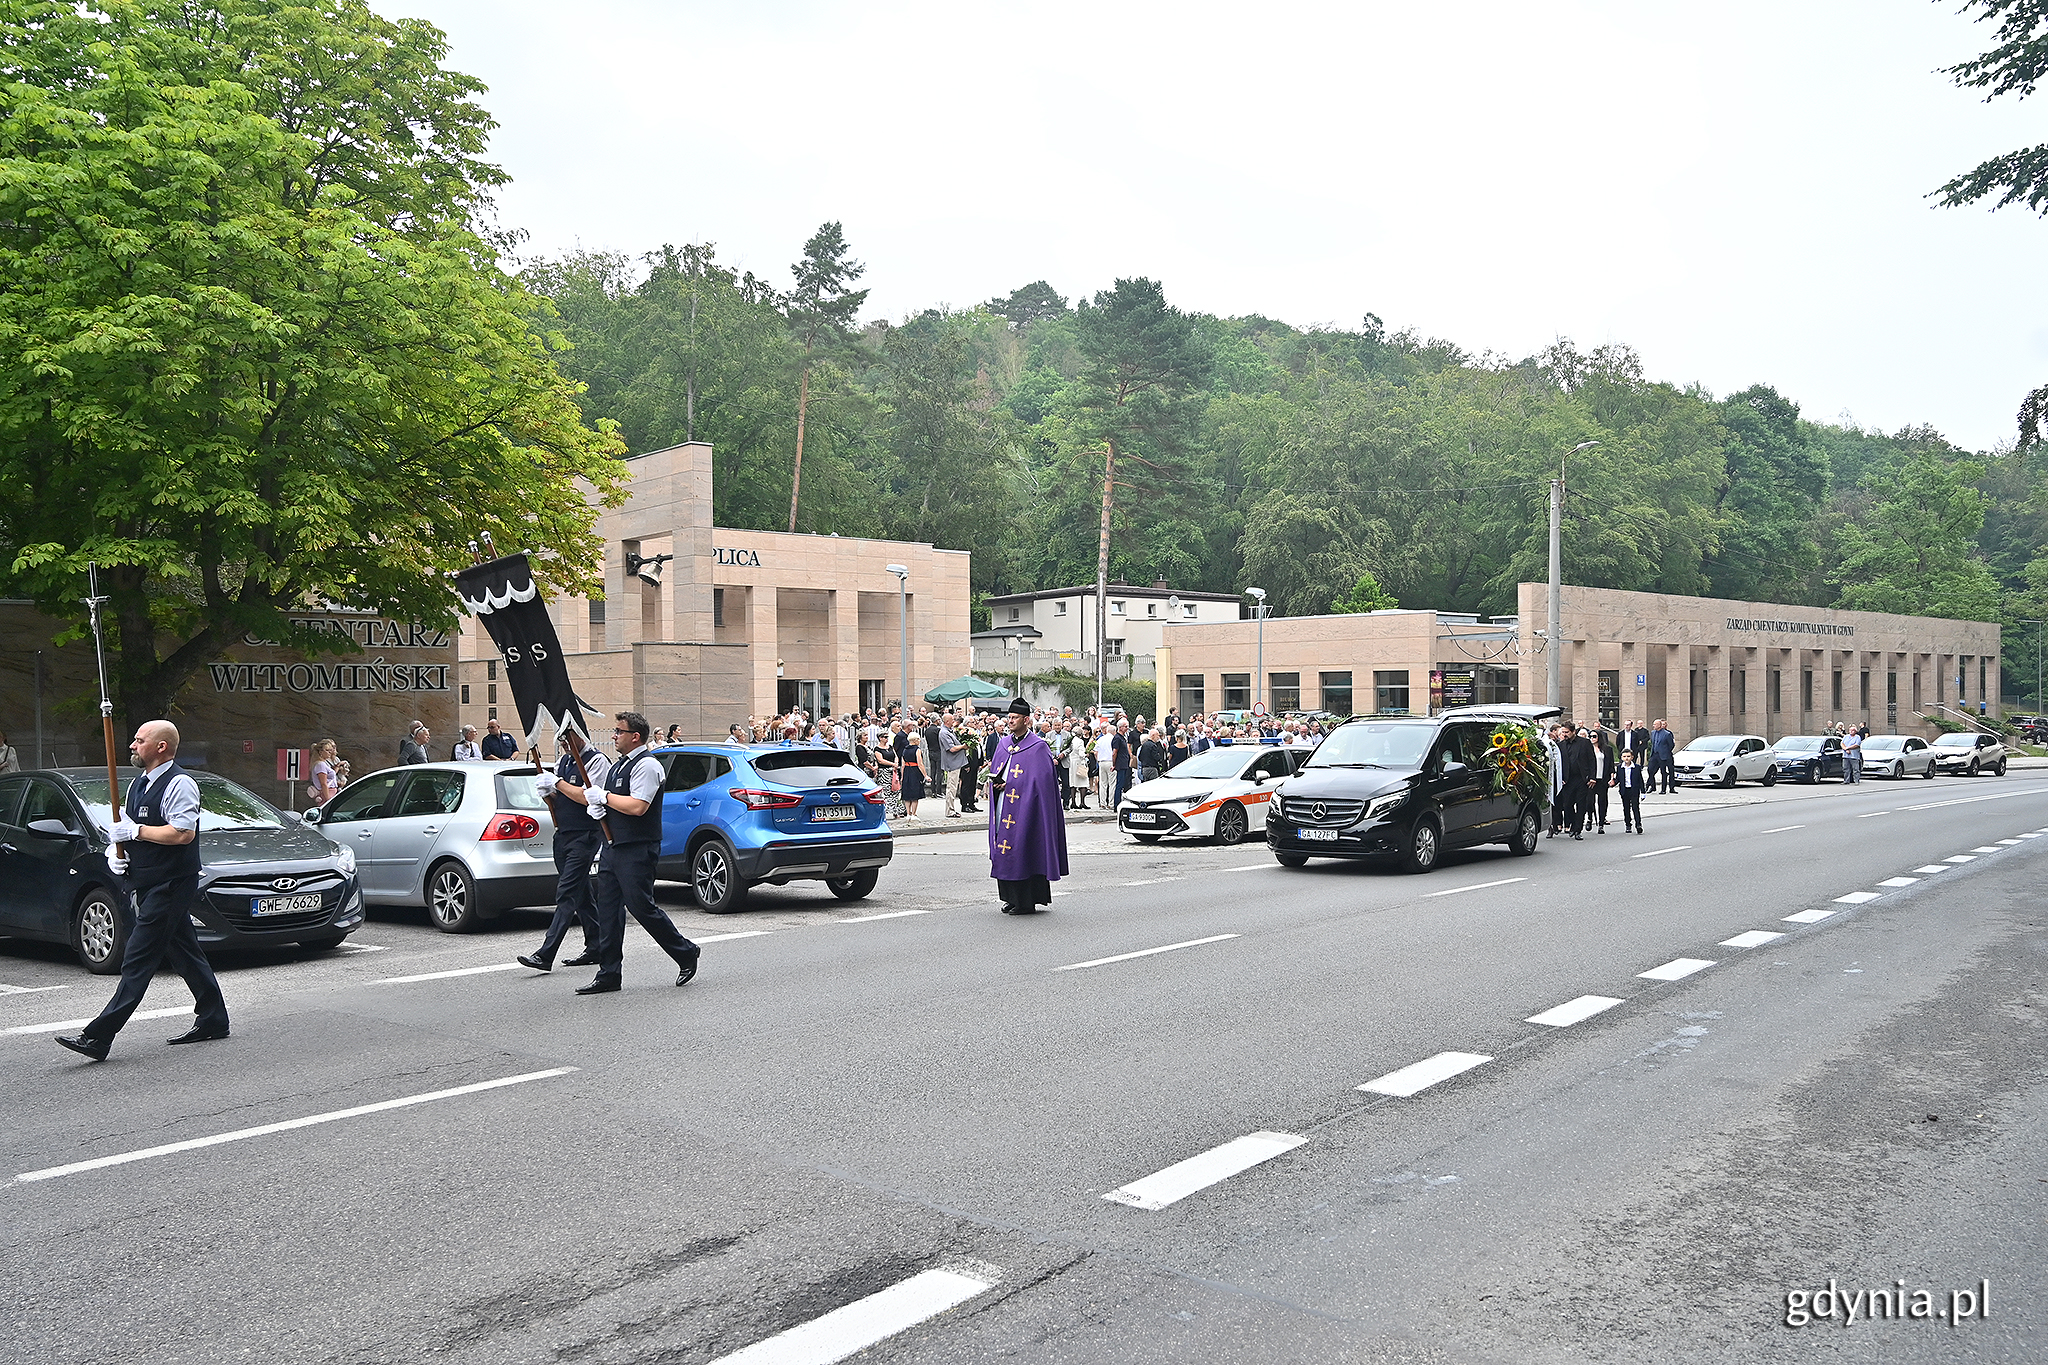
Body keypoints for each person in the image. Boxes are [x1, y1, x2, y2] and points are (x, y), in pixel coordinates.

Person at [57, 720, 230, 1061]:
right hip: (148, 882)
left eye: (139, 740)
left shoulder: (179, 783)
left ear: (161, 746)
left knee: (137, 958)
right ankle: (213, 1018)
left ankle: (99, 1037)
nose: (133, 745)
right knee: (185, 953)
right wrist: (117, 852)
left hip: (171, 884)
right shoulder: (139, 783)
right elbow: (128, 833)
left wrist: (135, 832)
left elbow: (182, 834)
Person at [575, 712, 698, 994]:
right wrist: (599, 808)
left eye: (619, 731)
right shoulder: (619, 766)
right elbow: (616, 804)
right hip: (613, 845)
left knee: (641, 907)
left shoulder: (647, 766)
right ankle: (608, 973)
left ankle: (685, 951)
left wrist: (604, 797)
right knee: (608, 910)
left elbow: (638, 806)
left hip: (637, 848)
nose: (614, 736)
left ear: (635, 737)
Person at [517, 724, 608, 973]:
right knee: (580, 893)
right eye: (561, 741)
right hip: (564, 834)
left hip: (585, 835)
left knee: (566, 893)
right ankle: (596, 946)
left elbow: (587, 796)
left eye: (567, 740)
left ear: (580, 735)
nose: (564, 745)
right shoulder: (566, 762)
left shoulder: (597, 760)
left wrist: (557, 783)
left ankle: (546, 954)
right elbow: (560, 798)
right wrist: (548, 793)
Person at [986, 698, 1069, 914]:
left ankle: (1026, 901)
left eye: (1014, 718)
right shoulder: (1004, 745)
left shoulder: (1038, 747)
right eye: (1009, 718)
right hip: (1004, 806)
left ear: (1026, 720)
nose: (1010, 721)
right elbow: (996, 770)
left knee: (1024, 848)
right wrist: (993, 784)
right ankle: (1010, 897)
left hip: (1028, 811)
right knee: (1004, 849)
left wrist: (1012, 784)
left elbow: (1042, 783)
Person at [1586, 724, 1615, 833]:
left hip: (1602, 778)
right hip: (1591, 779)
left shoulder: (1607, 749)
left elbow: (1611, 765)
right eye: (1590, 736)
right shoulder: (1587, 749)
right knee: (1589, 801)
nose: (1592, 739)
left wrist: (1612, 778)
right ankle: (1589, 818)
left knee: (1602, 801)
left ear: (1599, 737)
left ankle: (1601, 823)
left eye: (1594, 736)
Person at [938, 714, 968, 818]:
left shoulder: (949, 731)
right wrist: (963, 746)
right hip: (952, 763)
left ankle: (951, 809)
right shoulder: (944, 733)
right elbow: (951, 749)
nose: (953, 721)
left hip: (956, 762)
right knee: (951, 787)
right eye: (952, 720)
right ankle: (950, 811)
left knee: (953, 787)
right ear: (947, 721)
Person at [897, 724, 927, 818]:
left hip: (907, 771)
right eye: (918, 739)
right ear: (915, 740)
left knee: (907, 793)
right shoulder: (917, 750)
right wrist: (925, 775)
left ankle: (908, 813)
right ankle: (913, 813)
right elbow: (920, 763)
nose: (919, 740)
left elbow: (902, 764)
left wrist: (902, 776)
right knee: (915, 794)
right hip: (914, 771)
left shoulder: (905, 750)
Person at [1614, 748, 1646, 834]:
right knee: (1626, 808)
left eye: (1628, 756)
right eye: (1624, 756)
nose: (1626, 758)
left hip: (1634, 790)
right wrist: (1612, 782)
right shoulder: (1620, 768)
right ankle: (1628, 824)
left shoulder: (1636, 767)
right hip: (1625, 790)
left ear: (1632, 757)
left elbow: (1640, 780)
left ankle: (1638, 824)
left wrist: (1643, 792)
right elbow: (1618, 779)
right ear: (1621, 758)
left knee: (1635, 807)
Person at [308, 738, 343, 805]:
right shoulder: (320, 765)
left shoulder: (321, 764)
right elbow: (323, 784)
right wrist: (328, 800)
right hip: (328, 794)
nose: (330, 752)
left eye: (330, 750)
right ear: (321, 752)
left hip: (330, 792)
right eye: (327, 750)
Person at [1648, 719, 1676, 794]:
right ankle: (1652, 786)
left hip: (1663, 755)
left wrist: (1665, 752)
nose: (1653, 726)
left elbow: (1671, 745)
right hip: (1654, 754)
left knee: (1663, 772)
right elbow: (1653, 743)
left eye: (1655, 724)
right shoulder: (1653, 733)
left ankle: (1663, 789)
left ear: (1659, 725)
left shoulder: (1667, 734)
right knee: (1650, 770)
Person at [1066, 726, 1091, 808]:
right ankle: (1082, 802)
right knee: (1082, 782)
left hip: (1071, 762)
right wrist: (1086, 754)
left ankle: (1073, 802)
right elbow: (1081, 754)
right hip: (1079, 762)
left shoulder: (1070, 740)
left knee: (1072, 783)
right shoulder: (1080, 741)